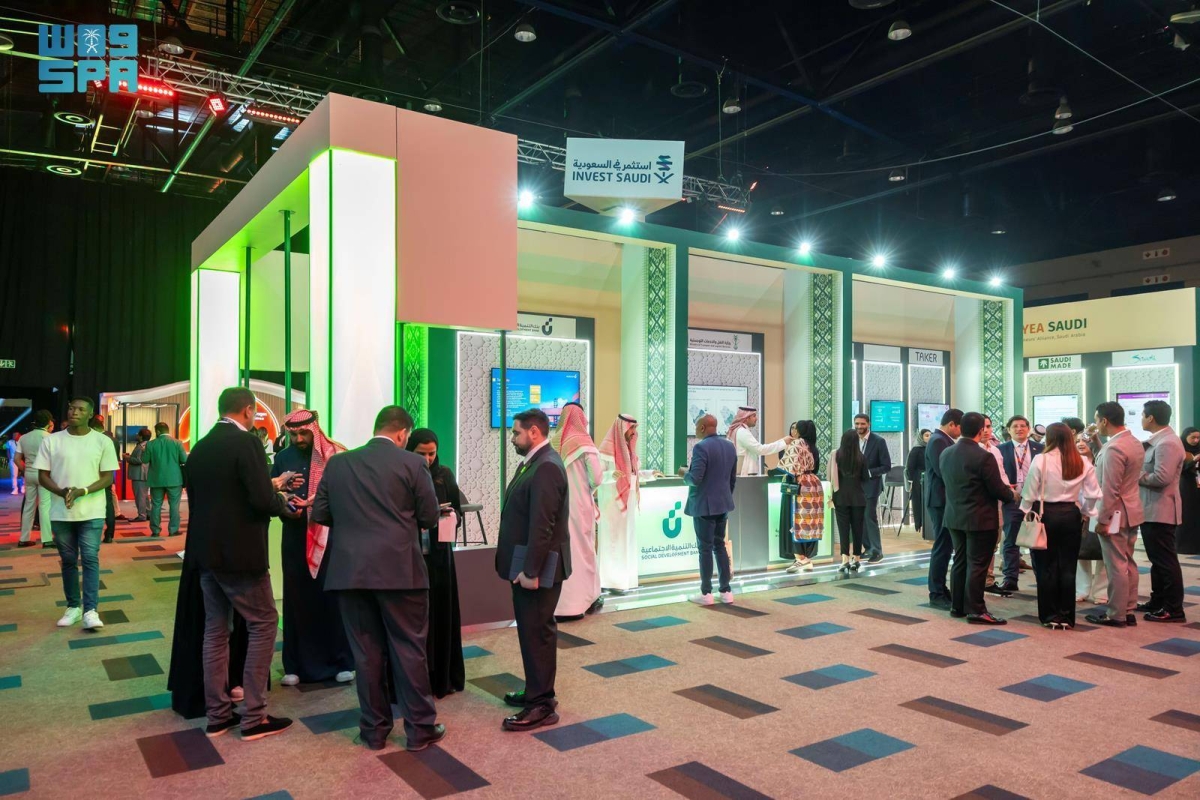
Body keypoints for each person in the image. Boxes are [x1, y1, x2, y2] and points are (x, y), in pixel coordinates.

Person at [311, 406, 445, 752]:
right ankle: (419, 730)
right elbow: (429, 517)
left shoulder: (338, 464)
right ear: (402, 433)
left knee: (366, 654)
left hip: (350, 573)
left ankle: (374, 730)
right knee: (409, 649)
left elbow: (320, 513)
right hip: (401, 572)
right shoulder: (413, 464)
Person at [186, 387, 295, 740]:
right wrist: (283, 501)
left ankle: (218, 715)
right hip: (241, 555)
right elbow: (261, 500)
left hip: (206, 553)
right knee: (264, 623)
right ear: (248, 411)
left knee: (216, 631)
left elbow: (215, 497)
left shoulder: (201, 446)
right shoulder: (247, 443)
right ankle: (254, 717)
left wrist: (271, 489)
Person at [495, 409, 571, 733]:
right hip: (528, 564)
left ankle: (541, 705)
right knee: (530, 631)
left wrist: (530, 571)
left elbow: (543, 526)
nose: (512, 438)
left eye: (516, 433)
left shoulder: (547, 467)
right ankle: (535, 690)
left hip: (537, 569)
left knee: (537, 632)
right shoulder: (535, 463)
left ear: (534, 433)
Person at [271, 409, 355, 687]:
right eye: (294, 434)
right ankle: (295, 666)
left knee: (332, 598)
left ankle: (341, 662)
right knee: (297, 600)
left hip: (330, 538)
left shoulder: (335, 455)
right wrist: (286, 506)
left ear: (314, 429)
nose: (298, 439)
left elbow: (347, 493)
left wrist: (316, 504)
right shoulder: (283, 458)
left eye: (304, 433)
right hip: (295, 537)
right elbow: (273, 496)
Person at [32, 396, 118, 631]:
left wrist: (83, 491)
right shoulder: (52, 441)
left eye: (80, 409)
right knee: (68, 561)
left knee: (89, 559)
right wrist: (61, 492)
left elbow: (107, 477)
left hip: (92, 511)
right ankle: (73, 607)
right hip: (61, 512)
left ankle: (90, 610)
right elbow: (42, 476)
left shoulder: (102, 441)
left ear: (90, 414)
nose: (74, 412)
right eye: (71, 408)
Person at [1020, 423, 1101, 629]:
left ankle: (1049, 615)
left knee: (1046, 566)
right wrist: (1086, 512)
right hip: (1071, 515)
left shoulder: (1041, 459)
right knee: (1068, 566)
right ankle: (1066, 616)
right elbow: (1093, 494)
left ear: (1049, 438)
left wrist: (1024, 511)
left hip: (1046, 514)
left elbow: (1029, 492)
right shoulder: (1081, 460)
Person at [406, 428, 467, 696]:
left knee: (441, 614)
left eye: (432, 453)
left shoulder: (444, 474)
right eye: (421, 453)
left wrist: (448, 516)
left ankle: (442, 677)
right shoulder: (403, 474)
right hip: (410, 556)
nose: (428, 459)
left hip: (440, 556)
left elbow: (458, 512)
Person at [941, 412, 1015, 625]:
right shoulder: (984, 456)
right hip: (980, 518)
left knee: (960, 561)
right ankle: (976, 610)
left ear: (960, 427)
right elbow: (997, 489)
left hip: (954, 516)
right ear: (981, 430)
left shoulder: (946, 452)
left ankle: (957, 606)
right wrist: (1012, 495)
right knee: (977, 565)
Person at [1085, 401, 1146, 628]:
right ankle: (1128, 609)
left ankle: (1116, 614)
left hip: (1115, 513)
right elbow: (1109, 464)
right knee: (1128, 561)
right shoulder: (1133, 442)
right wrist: (1095, 444)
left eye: (1096, 420)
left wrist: (1103, 519)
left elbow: (1110, 488)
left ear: (1104, 421)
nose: (1096, 425)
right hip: (1131, 510)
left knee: (1116, 565)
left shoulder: (1114, 448)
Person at [1135, 400, 1187, 623]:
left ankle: (1173, 609)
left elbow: (1161, 478)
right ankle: (1158, 601)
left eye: (1142, 415)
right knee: (1157, 561)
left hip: (1161, 510)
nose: (1141, 419)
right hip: (1152, 509)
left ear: (1151, 418)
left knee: (1165, 561)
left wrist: (1135, 475)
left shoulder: (1167, 442)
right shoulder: (1160, 440)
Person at [550, 403, 604, 620]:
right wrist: (587, 488)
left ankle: (561, 605)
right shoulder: (584, 443)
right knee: (584, 551)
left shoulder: (554, 443)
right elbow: (597, 478)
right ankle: (585, 600)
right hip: (580, 506)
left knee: (563, 551)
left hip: (558, 506)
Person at [682, 414, 738, 604]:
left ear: (703, 428)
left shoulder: (701, 447)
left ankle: (706, 593)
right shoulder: (729, 446)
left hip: (704, 506)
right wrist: (724, 497)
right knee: (719, 545)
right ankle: (726, 591)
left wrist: (684, 474)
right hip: (723, 504)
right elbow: (732, 480)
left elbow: (695, 478)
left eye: (696, 427)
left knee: (705, 549)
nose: (695, 430)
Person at [996, 416, 1043, 592]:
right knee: (1011, 540)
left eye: (1023, 426)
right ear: (1009, 430)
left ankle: (1042, 578)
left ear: (1028, 429)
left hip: (1036, 500)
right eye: (1015, 426)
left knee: (1036, 539)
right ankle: (1010, 579)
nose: (1019, 429)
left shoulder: (1040, 449)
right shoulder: (1000, 450)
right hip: (1013, 500)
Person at [925, 409, 963, 608]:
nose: (961, 432)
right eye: (960, 428)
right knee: (942, 546)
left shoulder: (943, 440)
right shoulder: (938, 440)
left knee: (946, 546)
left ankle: (941, 588)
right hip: (940, 501)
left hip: (944, 500)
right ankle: (936, 592)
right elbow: (943, 471)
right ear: (952, 424)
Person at [597, 414, 639, 591]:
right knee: (613, 541)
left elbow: (632, 475)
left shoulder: (630, 451)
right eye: (631, 428)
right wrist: (610, 475)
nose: (634, 432)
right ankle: (610, 582)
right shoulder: (605, 451)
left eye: (635, 428)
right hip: (611, 503)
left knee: (627, 539)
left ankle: (626, 581)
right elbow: (597, 476)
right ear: (623, 428)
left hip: (628, 501)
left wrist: (647, 474)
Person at [780, 420, 824, 572]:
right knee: (808, 522)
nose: (794, 431)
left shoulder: (797, 444)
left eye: (796, 429)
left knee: (795, 520)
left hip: (798, 485)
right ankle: (807, 557)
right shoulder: (813, 447)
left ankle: (800, 558)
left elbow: (788, 468)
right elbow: (816, 468)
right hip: (813, 486)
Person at [853, 413, 891, 563]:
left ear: (868, 424)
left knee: (869, 517)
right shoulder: (853, 440)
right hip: (855, 486)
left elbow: (886, 466)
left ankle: (877, 551)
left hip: (871, 486)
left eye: (862, 424)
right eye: (857, 423)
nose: (859, 426)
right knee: (860, 518)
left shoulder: (879, 441)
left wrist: (869, 472)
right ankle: (868, 548)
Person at [829, 429, 868, 574]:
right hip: (858, 497)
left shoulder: (836, 455)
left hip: (840, 497)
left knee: (843, 529)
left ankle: (844, 559)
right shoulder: (861, 457)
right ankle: (856, 558)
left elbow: (830, 476)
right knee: (857, 529)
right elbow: (865, 478)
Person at [143, 422, 187, 538]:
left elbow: (144, 460)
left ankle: (155, 531)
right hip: (174, 479)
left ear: (158, 431)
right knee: (174, 505)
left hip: (156, 479)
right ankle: (173, 530)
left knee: (156, 505)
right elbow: (184, 459)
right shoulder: (177, 443)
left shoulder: (150, 444)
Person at [17, 411, 54, 547]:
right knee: (45, 506)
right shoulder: (50, 438)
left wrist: (24, 469)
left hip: (29, 473)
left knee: (29, 506)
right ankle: (47, 539)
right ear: (48, 422)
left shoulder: (24, 438)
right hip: (44, 474)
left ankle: (24, 538)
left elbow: (16, 459)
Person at [726, 406, 790, 477]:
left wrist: (782, 441)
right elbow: (760, 449)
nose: (756, 419)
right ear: (746, 418)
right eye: (754, 416)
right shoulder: (742, 432)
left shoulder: (739, 430)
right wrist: (783, 442)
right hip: (745, 476)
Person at [86, 417, 119, 541]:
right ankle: (109, 533)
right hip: (108, 475)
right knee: (108, 504)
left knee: (89, 503)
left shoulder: (92, 439)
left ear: (93, 428)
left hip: (92, 475)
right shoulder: (114, 440)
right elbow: (116, 459)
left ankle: (90, 532)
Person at [1178, 427, 1200, 555]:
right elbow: (1179, 469)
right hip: (1186, 487)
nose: (1196, 440)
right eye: (1193, 437)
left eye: (1198, 438)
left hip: (1197, 487)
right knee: (1186, 515)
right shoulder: (1179, 450)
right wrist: (1193, 461)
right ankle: (1184, 546)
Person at [123, 428, 151, 523]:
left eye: (138, 434)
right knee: (144, 496)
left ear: (141, 436)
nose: (136, 436)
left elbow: (139, 460)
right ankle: (148, 513)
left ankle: (142, 515)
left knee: (140, 497)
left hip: (139, 474)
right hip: (145, 474)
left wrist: (127, 457)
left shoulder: (142, 446)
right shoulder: (148, 445)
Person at [906, 429, 931, 536]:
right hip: (918, 479)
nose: (929, 437)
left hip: (929, 477)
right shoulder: (916, 449)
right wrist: (911, 481)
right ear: (921, 437)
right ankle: (919, 524)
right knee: (919, 501)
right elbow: (910, 467)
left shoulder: (932, 448)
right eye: (926, 435)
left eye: (930, 435)